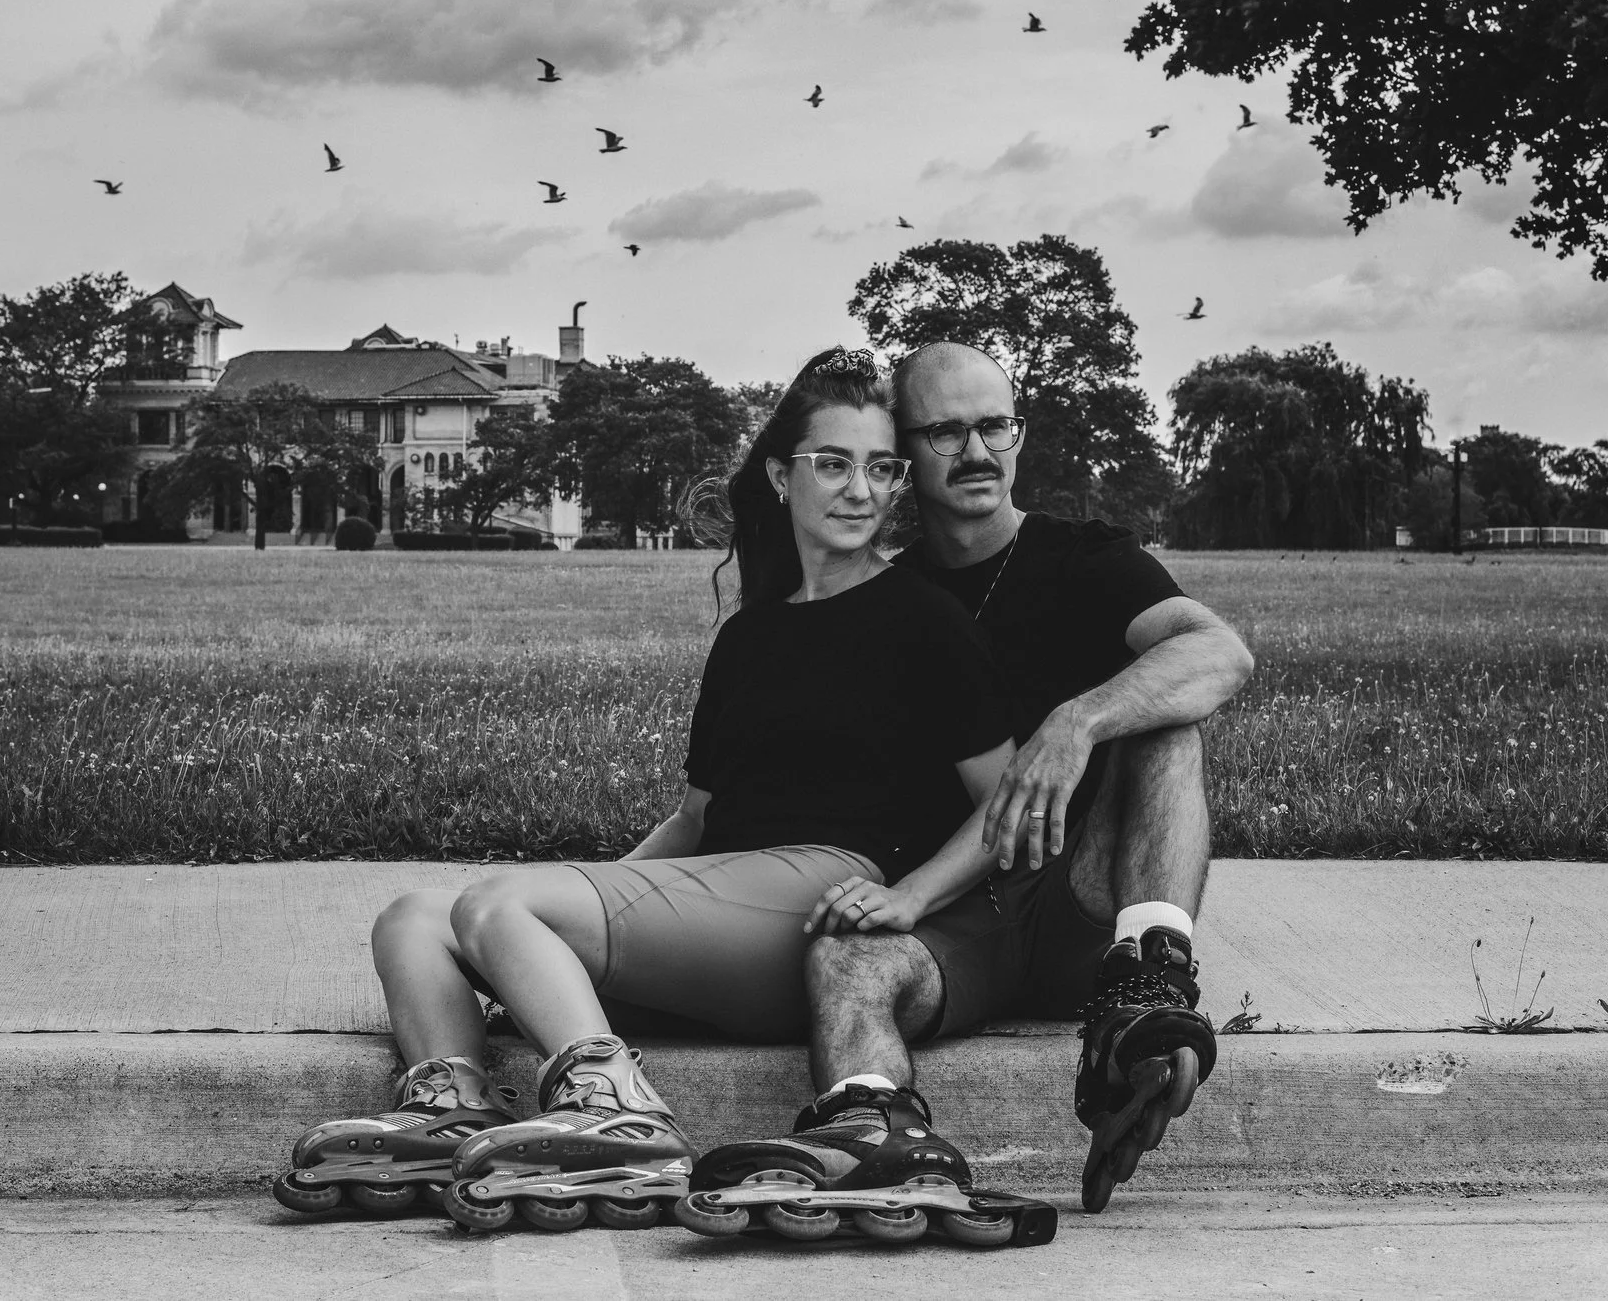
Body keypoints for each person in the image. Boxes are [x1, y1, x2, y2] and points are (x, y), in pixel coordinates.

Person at [271, 348, 1041, 1240]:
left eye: (881, 467)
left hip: (814, 898)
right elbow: (695, 820)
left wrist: (912, 897)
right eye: (835, 463)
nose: (861, 490)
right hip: (723, 898)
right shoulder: (751, 635)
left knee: (500, 903)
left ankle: (621, 1116)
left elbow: (1006, 800)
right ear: (781, 475)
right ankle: (454, 1113)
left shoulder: (923, 619)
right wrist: (561, 916)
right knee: (413, 918)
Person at [687, 340, 1254, 1219]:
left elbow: (1220, 652)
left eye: (995, 425)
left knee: (1167, 720)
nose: (979, 451)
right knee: (845, 961)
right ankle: (876, 1138)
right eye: (947, 432)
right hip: (960, 910)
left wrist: (1078, 720)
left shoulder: (1083, 558)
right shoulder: (885, 592)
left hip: (1082, 898)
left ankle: (1144, 988)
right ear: (903, 455)